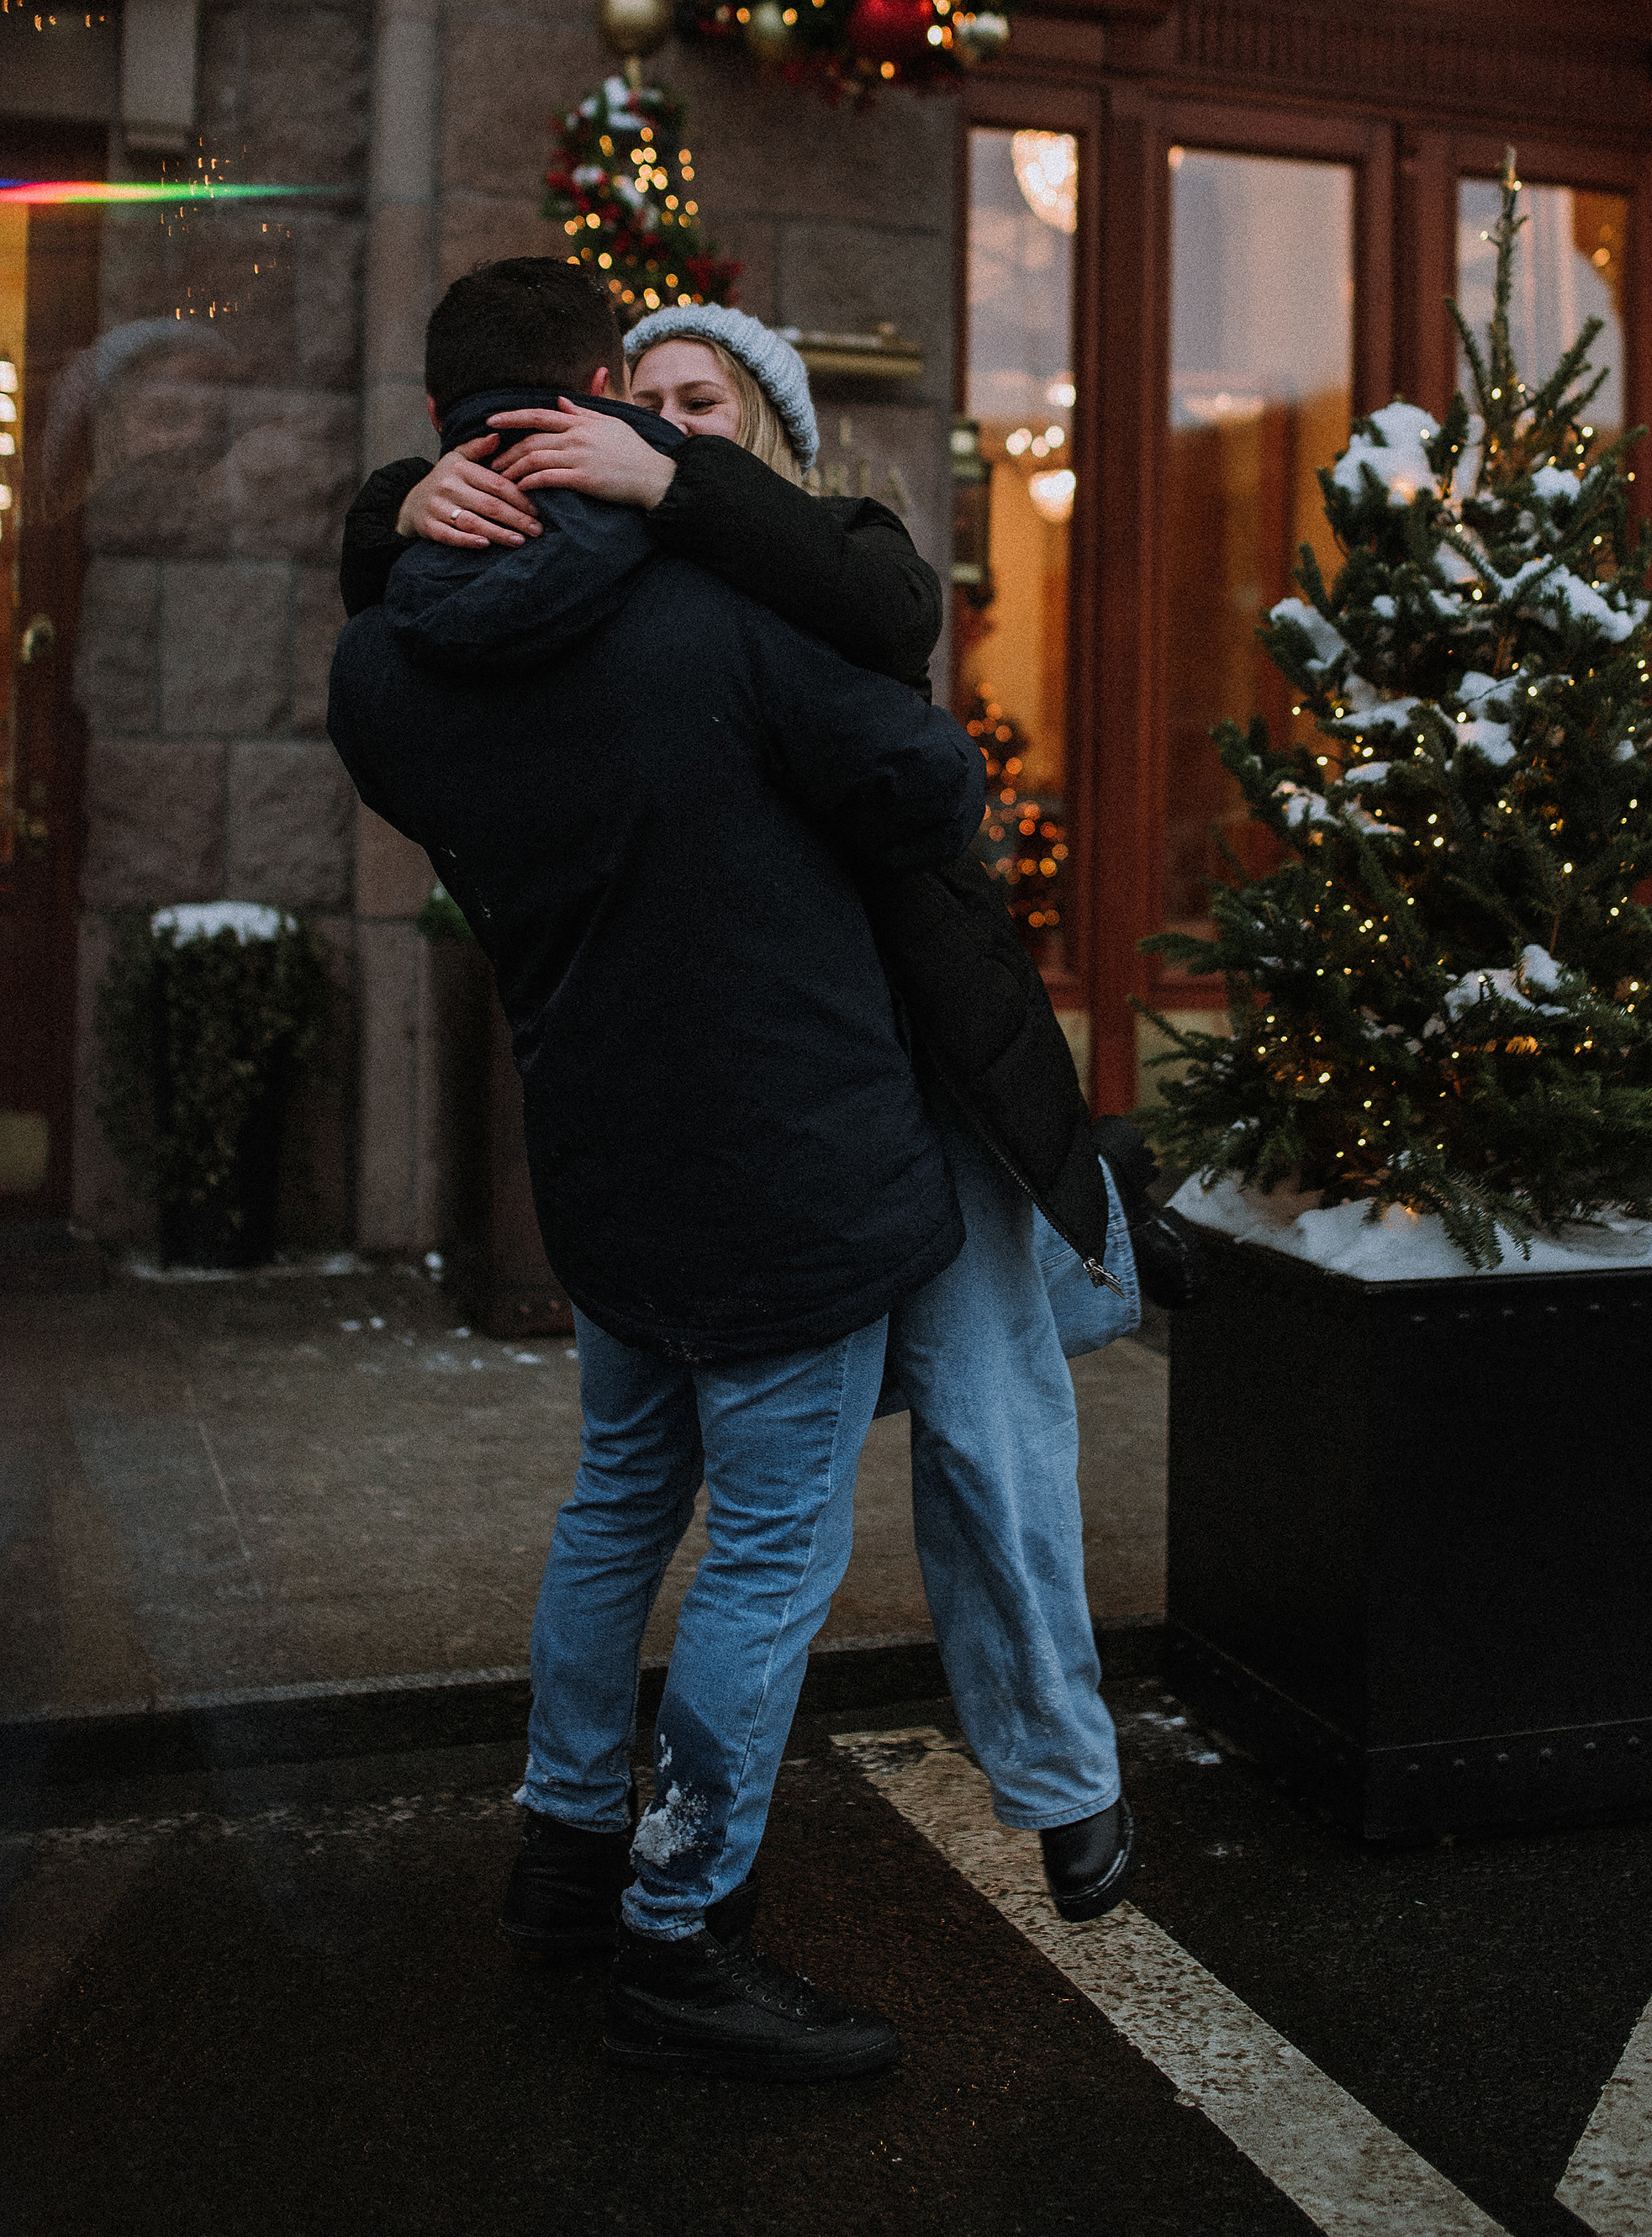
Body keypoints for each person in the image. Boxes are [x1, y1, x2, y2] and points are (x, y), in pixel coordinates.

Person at [338, 294, 1201, 1968]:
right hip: (788, 1128)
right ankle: (670, 1910)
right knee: (736, 1519)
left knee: (987, 1423)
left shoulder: (793, 562)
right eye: (642, 398)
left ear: (768, 438)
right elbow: (884, 768)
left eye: (702, 405)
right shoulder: (668, 607)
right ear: (571, 416)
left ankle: (1059, 1777)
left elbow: (882, 607)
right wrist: (394, 507)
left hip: (913, 1085)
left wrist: (638, 484)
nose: (667, 422)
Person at [328, 257, 984, 2081]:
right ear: (601, 388)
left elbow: (434, 652)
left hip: (601, 1159)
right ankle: (678, 1930)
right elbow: (921, 778)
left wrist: (390, 526)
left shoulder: (379, 665)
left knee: (621, 1495)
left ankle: (565, 1851)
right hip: (790, 1158)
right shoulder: (709, 612)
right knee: (772, 1548)